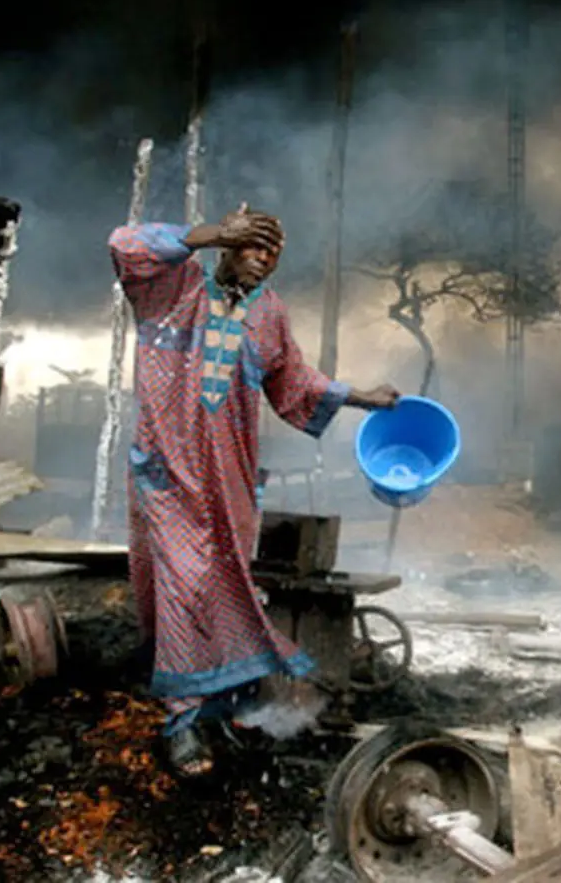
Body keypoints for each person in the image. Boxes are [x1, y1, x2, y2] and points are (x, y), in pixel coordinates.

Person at [108, 206, 399, 777]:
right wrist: (214, 232)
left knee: (223, 583)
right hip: (168, 473)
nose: (263, 260)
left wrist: (362, 397)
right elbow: (125, 245)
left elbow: (294, 381)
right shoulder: (171, 286)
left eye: (272, 253)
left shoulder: (268, 314)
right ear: (229, 246)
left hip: (230, 480)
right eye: (252, 246)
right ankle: (183, 722)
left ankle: (218, 700)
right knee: (183, 582)